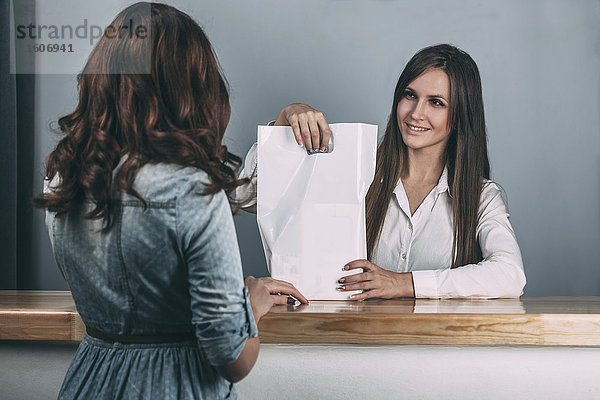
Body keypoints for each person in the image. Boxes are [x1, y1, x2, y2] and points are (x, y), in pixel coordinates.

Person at [33, 3, 306, 399]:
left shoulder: (64, 177)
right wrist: (250, 304)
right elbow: (233, 358)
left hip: (86, 381)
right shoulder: (192, 189)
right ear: (192, 86)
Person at [238, 44, 526, 299]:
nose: (416, 113)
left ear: (461, 116)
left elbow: (510, 275)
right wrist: (284, 122)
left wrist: (404, 284)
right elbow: (244, 196)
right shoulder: (353, 170)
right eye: (410, 95)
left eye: (436, 102)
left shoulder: (482, 197)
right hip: (353, 347)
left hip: (441, 351)